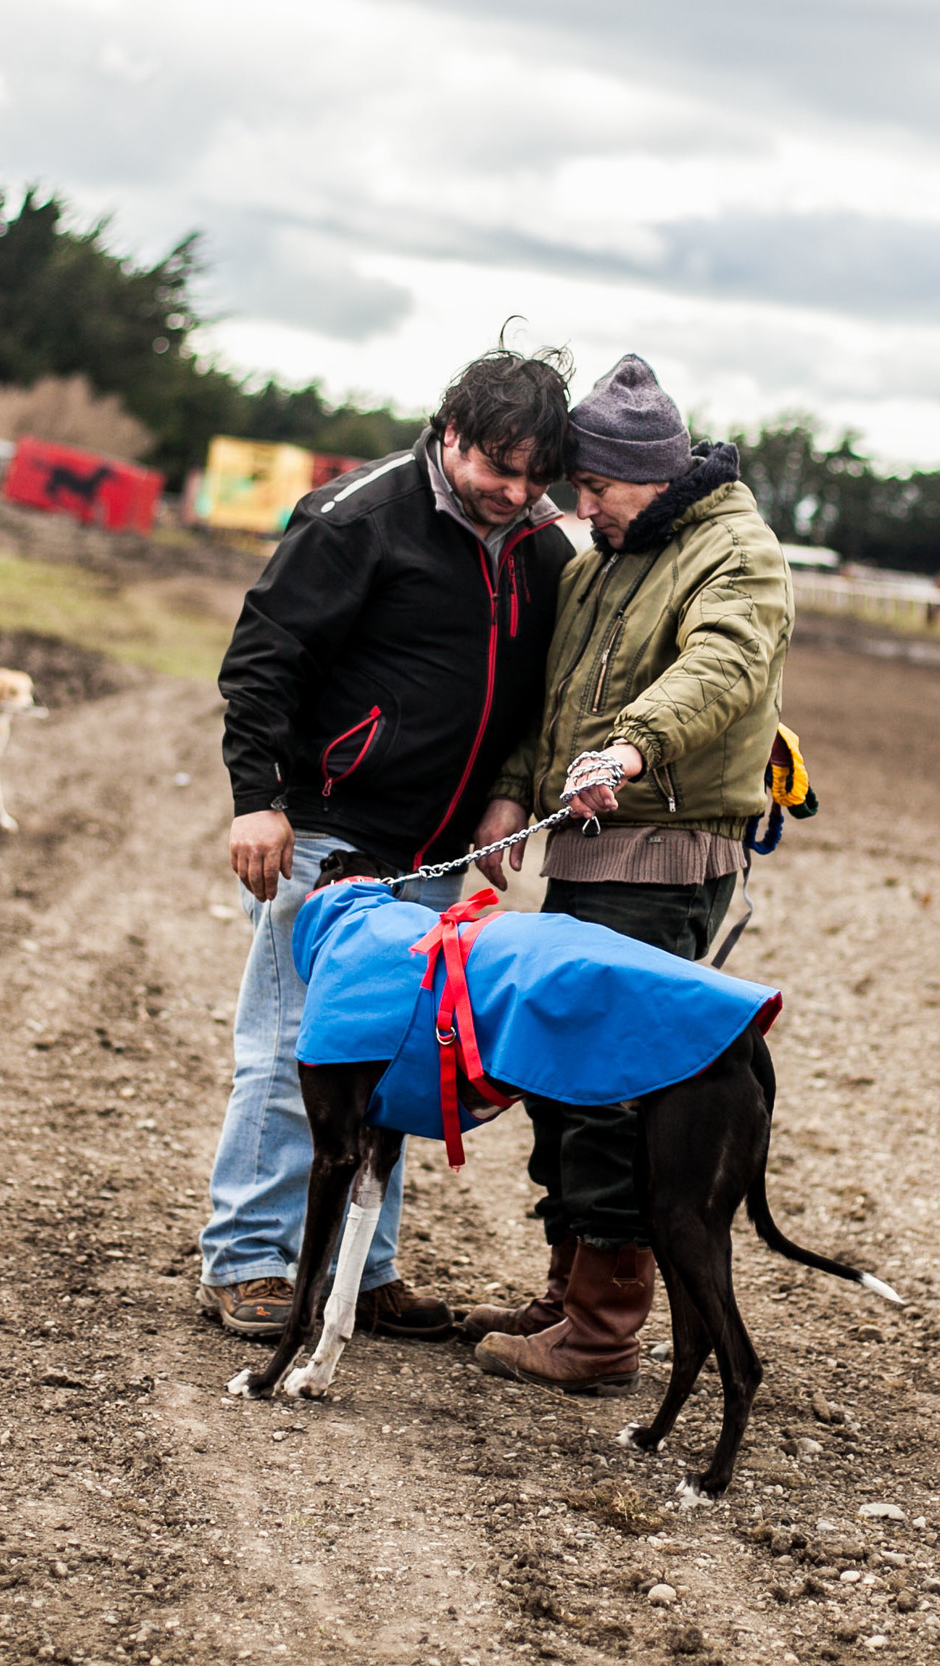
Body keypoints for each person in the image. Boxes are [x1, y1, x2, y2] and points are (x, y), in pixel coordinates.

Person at [201, 345, 578, 1339]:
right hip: (329, 835)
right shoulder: (357, 518)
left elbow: (533, 701)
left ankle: (360, 1270)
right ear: (450, 432)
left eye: (538, 476)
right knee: (293, 1049)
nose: (516, 492)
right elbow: (262, 660)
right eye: (499, 467)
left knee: (404, 1058)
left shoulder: (541, 548)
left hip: (440, 853)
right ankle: (249, 1258)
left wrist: (509, 794)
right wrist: (259, 798)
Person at [465, 353, 793, 1393]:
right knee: (561, 1070)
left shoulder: (735, 555)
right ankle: (569, 1287)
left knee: (609, 1084)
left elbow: (724, 666)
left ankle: (603, 1328)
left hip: (661, 854)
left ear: (649, 473)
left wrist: (634, 746)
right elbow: (554, 688)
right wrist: (517, 785)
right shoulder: (608, 550)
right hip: (590, 845)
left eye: (594, 485)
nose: (578, 502)